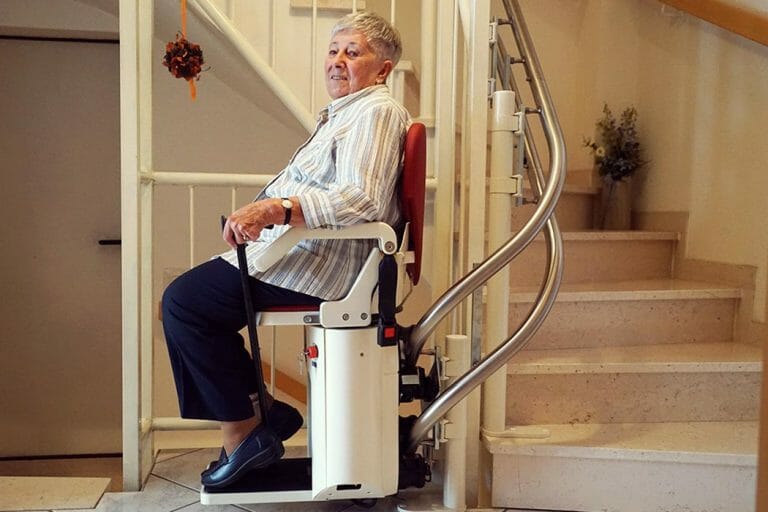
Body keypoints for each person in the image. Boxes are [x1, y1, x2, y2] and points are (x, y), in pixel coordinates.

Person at [161, 11, 411, 489]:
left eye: (352, 52)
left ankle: (245, 431)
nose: (337, 61)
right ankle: (261, 415)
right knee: (184, 303)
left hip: (319, 265)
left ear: (383, 69)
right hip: (297, 253)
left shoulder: (376, 112)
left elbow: (362, 199)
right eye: (333, 51)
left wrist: (276, 209)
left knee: (185, 305)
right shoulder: (346, 113)